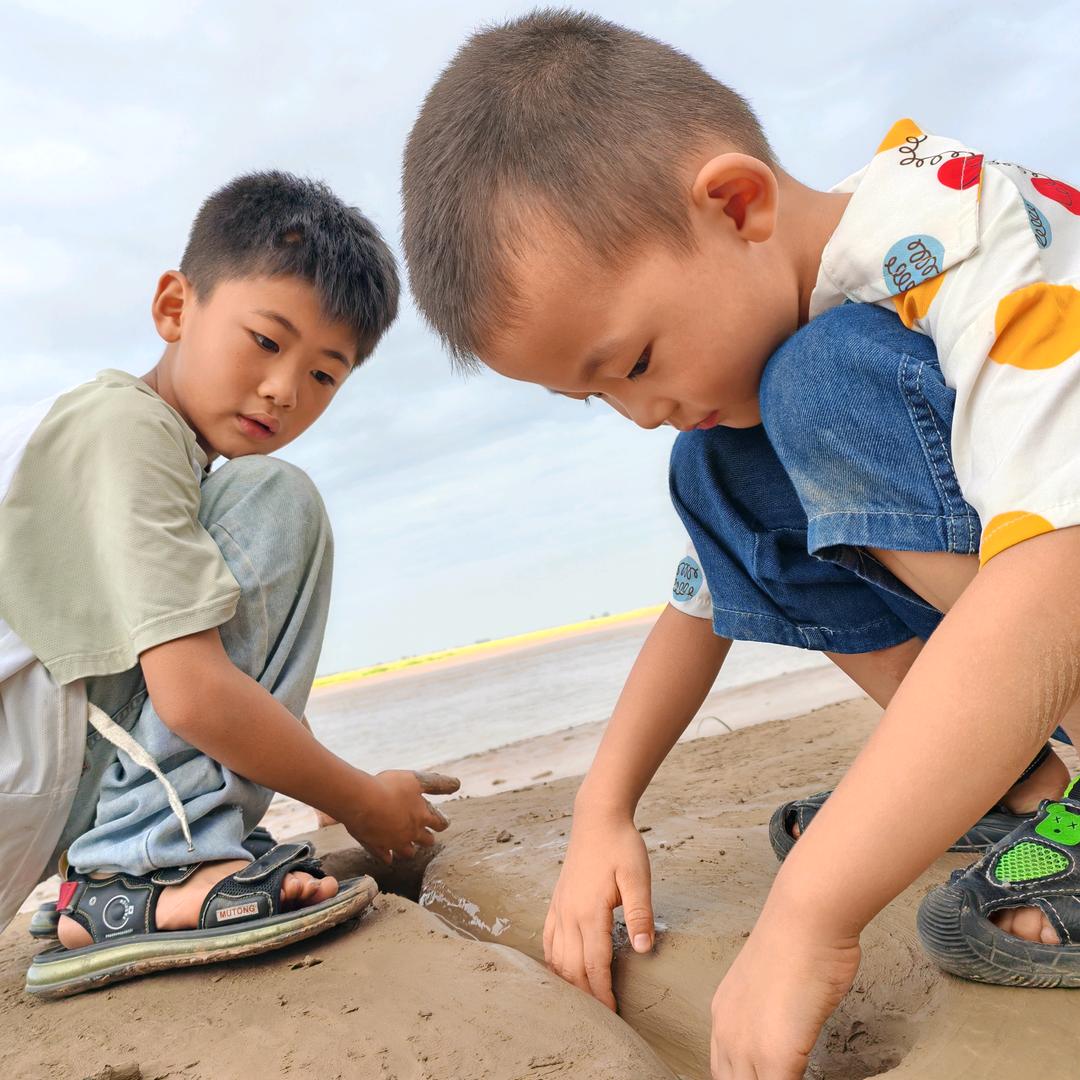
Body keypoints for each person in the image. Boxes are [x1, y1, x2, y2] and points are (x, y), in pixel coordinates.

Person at [401, 11, 1080, 1077]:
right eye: (595, 399)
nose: (637, 412)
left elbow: (1057, 579)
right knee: (720, 472)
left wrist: (812, 910)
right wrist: (602, 811)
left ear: (736, 204)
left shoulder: (958, 236)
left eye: (629, 363)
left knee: (811, 389)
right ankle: (1025, 787)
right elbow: (700, 598)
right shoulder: (814, 321)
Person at [1, 170, 458, 998]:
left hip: (23, 802)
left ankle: (119, 870)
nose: (284, 390)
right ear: (176, 307)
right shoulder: (124, 427)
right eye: (267, 340)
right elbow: (195, 696)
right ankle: (139, 876)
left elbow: (204, 664)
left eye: (325, 375)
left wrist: (317, 778)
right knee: (275, 500)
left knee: (250, 510)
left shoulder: (154, 456)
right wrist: (359, 799)